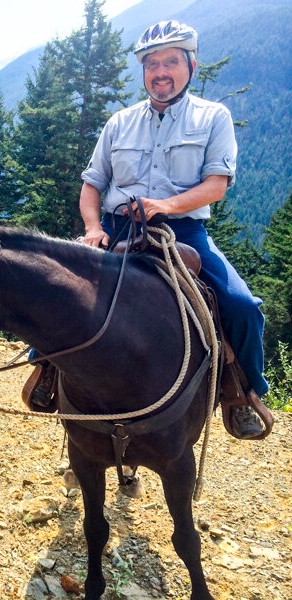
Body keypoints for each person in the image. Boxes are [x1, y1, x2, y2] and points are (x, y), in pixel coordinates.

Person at [72, 20, 266, 439]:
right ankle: (47, 376)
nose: (161, 71)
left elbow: (216, 185)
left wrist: (165, 205)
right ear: (144, 72)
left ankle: (243, 394)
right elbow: (92, 185)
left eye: (171, 62)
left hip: (184, 233)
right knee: (62, 294)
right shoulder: (119, 123)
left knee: (242, 306)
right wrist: (92, 228)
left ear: (190, 66)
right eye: (152, 63)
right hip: (117, 230)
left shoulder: (213, 117)